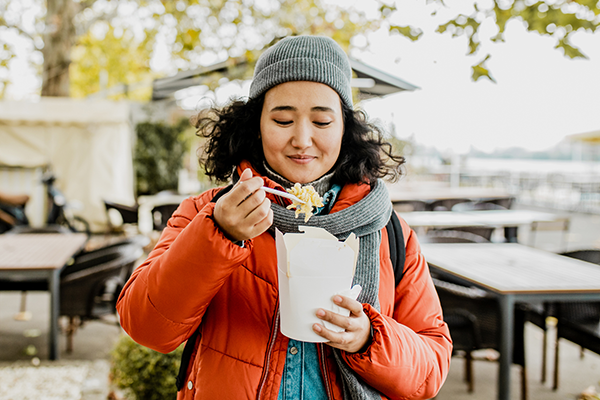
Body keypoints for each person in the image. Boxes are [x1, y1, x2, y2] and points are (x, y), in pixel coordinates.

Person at [117, 35, 452, 400]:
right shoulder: (207, 213)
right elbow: (146, 327)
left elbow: (432, 365)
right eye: (282, 119)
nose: (302, 139)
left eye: (322, 122)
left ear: (346, 129)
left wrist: (370, 338)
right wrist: (218, 234)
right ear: (256, 125)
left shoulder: (390, 231)